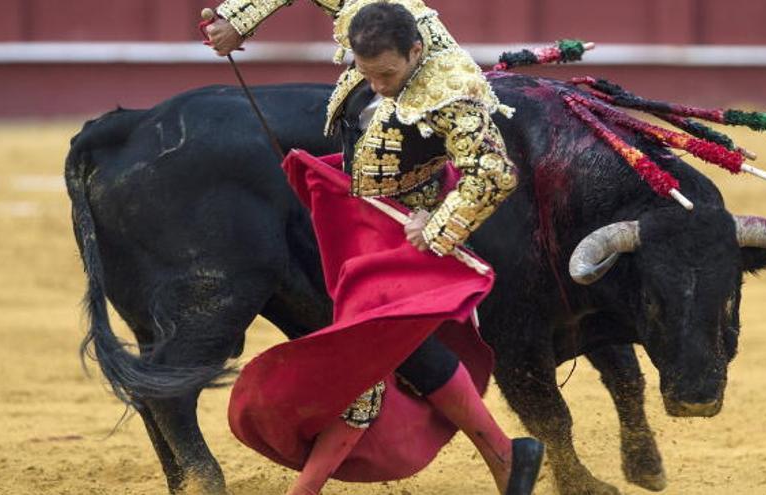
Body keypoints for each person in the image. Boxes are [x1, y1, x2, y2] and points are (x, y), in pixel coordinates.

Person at [206, 1, 544, 494]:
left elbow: (493, 173)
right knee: (375, 354)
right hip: (361, 218)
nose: (380, 86)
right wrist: (238, 19)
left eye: (388, 74)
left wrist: (435, 227)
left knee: (364, 355)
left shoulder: (450, 90)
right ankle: (506, 456)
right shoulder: (370, 13)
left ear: (415, 50)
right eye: (368, 75)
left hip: (404, 233)